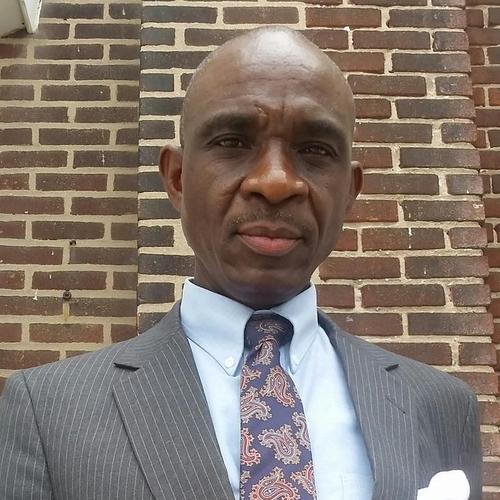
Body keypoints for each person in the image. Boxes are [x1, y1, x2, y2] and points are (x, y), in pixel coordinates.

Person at [0, 26, 481, 500]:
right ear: (178, 178)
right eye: (232, 142)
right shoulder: (48, 413)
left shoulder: (439, 406)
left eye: (315, 150)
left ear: (349, 192)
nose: (275, 182)